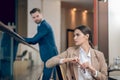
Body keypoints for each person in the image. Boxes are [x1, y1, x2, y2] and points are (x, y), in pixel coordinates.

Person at [24, 8, 58, 80]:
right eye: (33, 17)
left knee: (46, 76)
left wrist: (21, 38)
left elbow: (34, 40)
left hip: (49, 55)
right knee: (52, 76)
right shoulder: (41, 25)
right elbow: (36, 40)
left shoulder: (44, 26)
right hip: (50, 54)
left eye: (37, 16)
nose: (36, 18)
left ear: (41, 15)